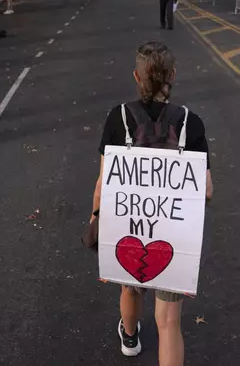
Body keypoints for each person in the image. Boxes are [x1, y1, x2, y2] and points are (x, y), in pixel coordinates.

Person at [91, 41, 214, 366]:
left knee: (129, 289)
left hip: (128, 224)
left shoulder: (117, 117)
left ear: (136, 76)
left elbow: (104, 182)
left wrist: (95, 217)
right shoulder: (191, 123)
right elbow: (207, 190)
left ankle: (129, 337)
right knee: (170, 322)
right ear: (172, 75)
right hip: (172, 234)